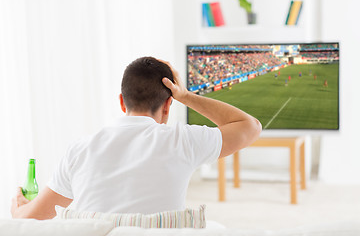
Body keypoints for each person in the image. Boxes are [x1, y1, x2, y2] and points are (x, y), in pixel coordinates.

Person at [11, 57, 262, 219]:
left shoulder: (80, 150)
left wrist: (18, 208)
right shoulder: (183, 140)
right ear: (168, 105)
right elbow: (250, 126)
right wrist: (185, 96)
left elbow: (32, 218)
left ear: (121, 101)